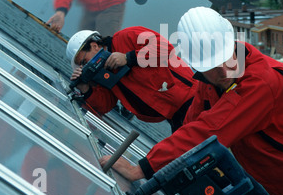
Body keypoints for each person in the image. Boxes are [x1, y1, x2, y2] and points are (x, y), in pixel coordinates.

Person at [99, 7, 283, 195]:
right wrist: (167, 164)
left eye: (225, 58)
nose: (223, 70)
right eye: (212, 66)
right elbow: (191, 125)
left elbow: (209, 130)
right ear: (197, 68)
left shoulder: (262, 82)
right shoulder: (210, 84)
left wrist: (144, 169)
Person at [67, 27, 196, 132]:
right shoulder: (101, 73)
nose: (85, 66)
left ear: (94, 46)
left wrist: (128, 57)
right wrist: (85, 87)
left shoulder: (124, 37)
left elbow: (165, 48)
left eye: (84, 61)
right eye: (82, 65)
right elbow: (106, 105)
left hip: (192, 98)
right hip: (173, 116)